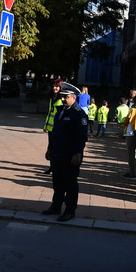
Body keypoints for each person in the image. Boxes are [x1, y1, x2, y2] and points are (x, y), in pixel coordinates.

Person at [42, 84, 88, 222]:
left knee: (70, 183)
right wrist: (50, 148)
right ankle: (56, 206)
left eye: (66, 97)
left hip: (70, 154)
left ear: (74, 98)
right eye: (62, 96)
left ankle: (70, 210)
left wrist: (78, 154)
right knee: (57, 181)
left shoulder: (79, 114)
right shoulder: (60, 110)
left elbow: (81, 137)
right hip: (57, 152)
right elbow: (54, 132)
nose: (63, 99)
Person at [42, 79, 64, 174]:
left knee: (56, 148)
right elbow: (49, 113)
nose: (55, 88)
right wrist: (46, 125)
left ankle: (56, 167)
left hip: (58, 128)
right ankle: (52, 167)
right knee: (50, 147)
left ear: (60, 88)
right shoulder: (52, 98)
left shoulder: (61, 99)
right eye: (54, 86)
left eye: (57, 86)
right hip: (51, 128)